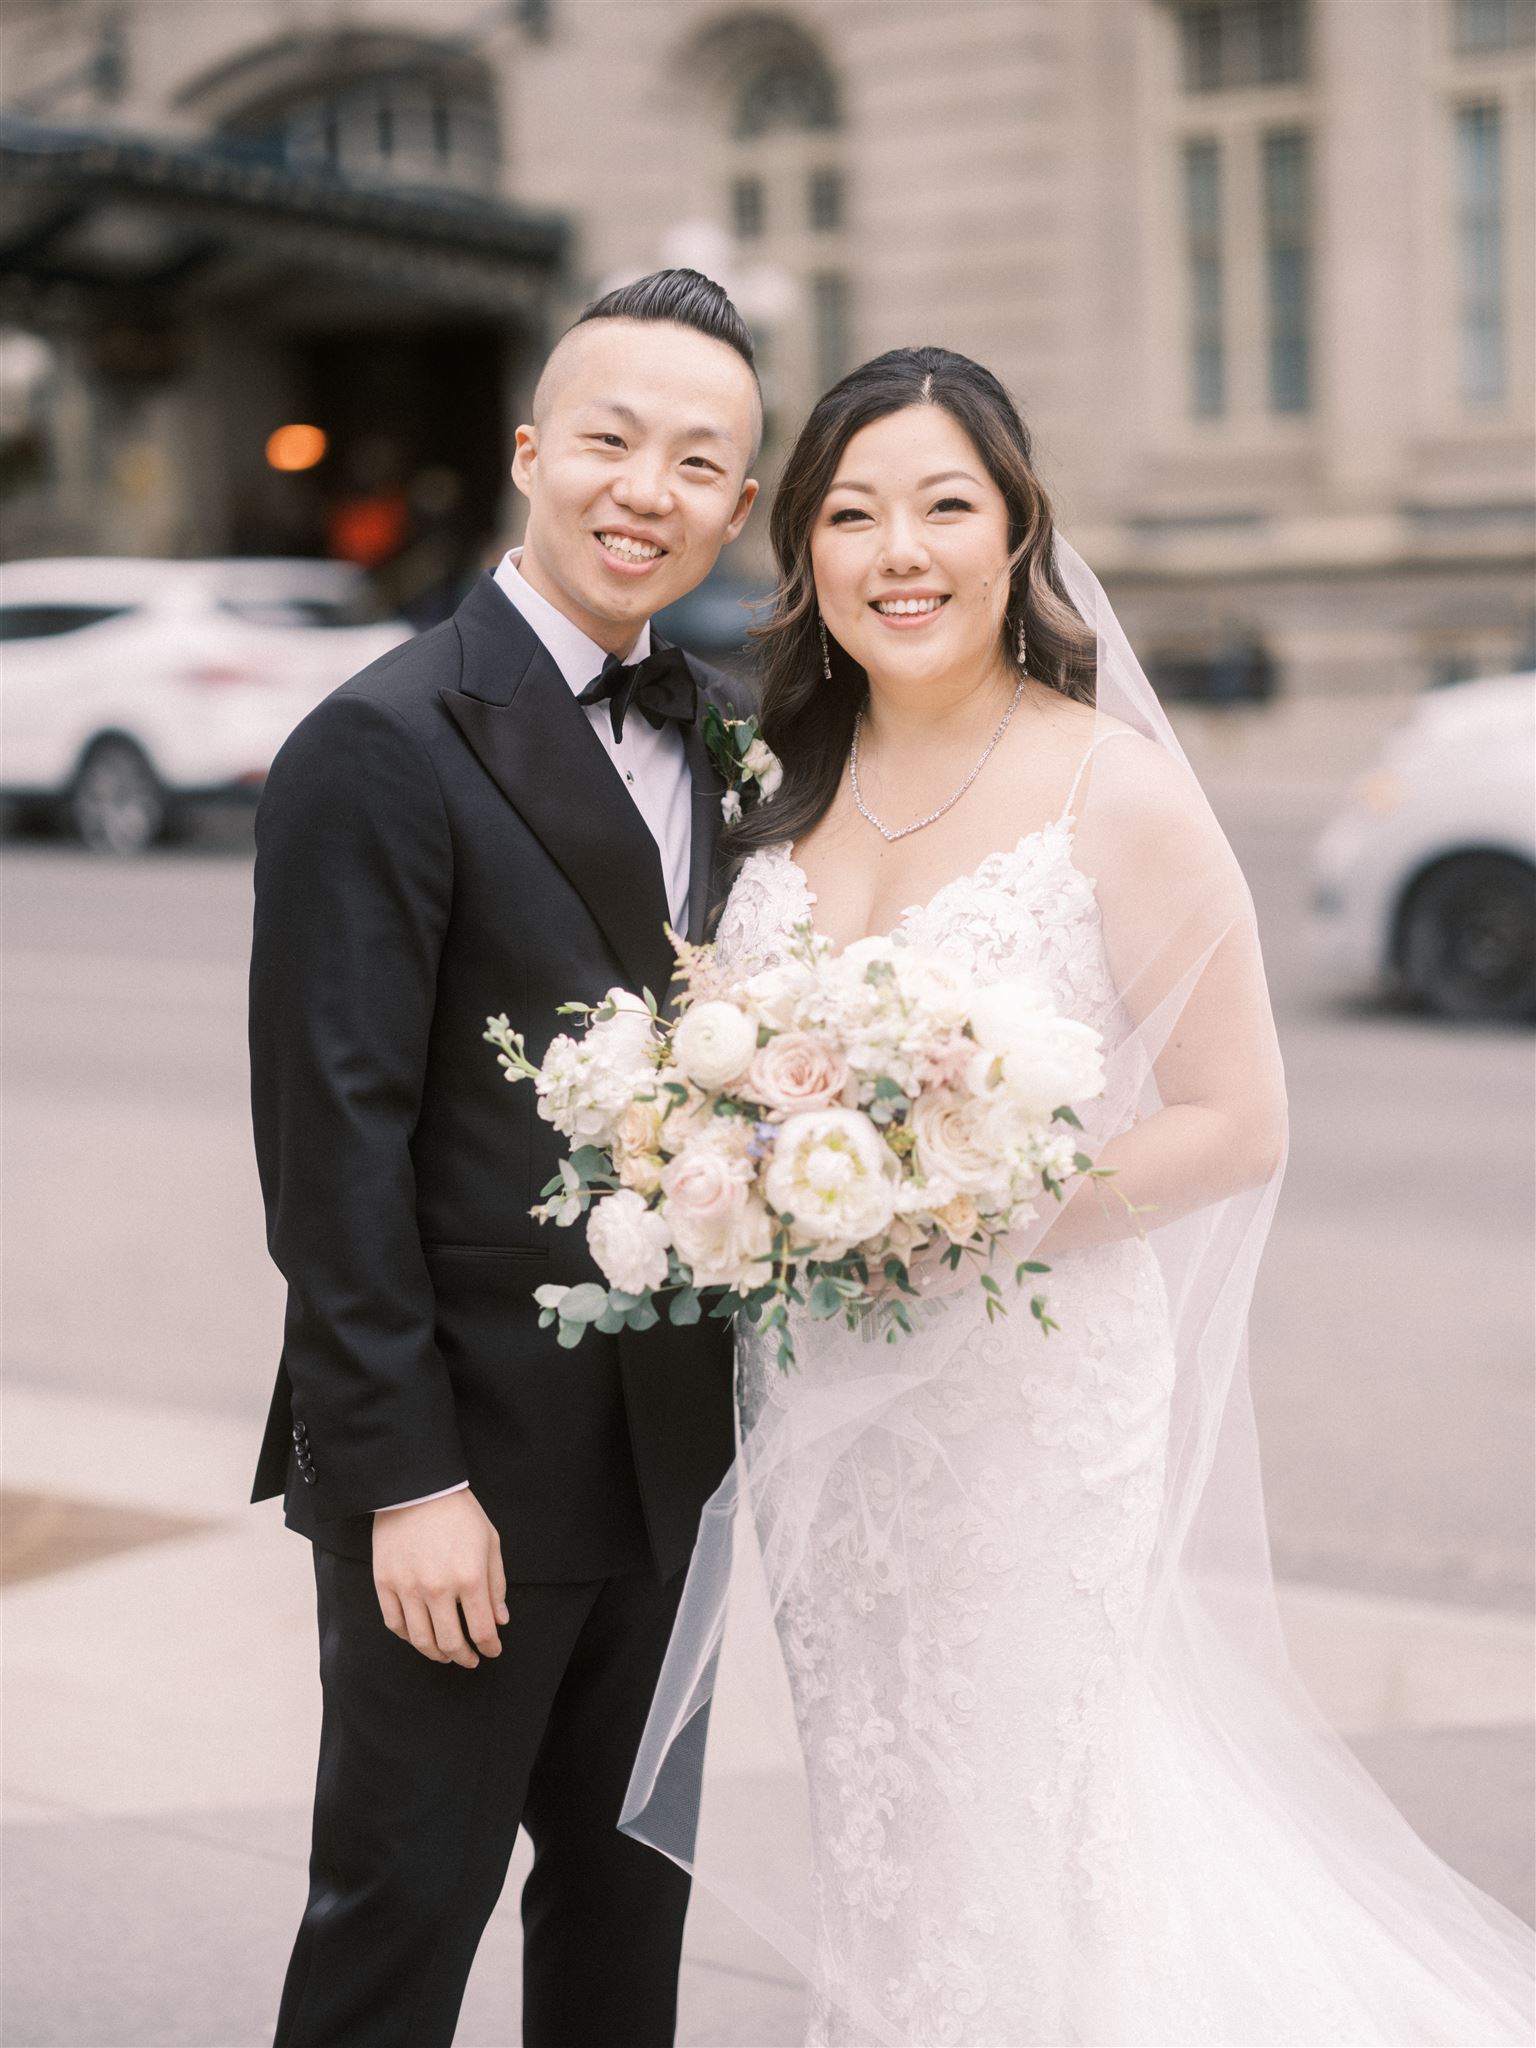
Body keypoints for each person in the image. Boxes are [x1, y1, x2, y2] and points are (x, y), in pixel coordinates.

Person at [622, 347, 1536, 2046]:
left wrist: (973, 1208)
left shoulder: (1113, 786)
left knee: (1028, 1813)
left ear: (1018, 531)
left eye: (945, 507)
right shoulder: (774, 792)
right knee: (883, 1814)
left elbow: (1236, 1121)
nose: (901, 549)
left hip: (1030, 1411)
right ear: (806, 554)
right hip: (828, 1412)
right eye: (853, 512)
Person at [248, 269, 760, 2048]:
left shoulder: (731, 742)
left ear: (737, 507)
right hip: (462, 1473)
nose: (649, 489)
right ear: (532, 451)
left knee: (627, 1933)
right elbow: (332, 1153)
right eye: (611, 440)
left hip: (675, 1468)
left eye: (698, 462)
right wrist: (401, 1481)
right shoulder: (379, 746)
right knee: (401, 1924)